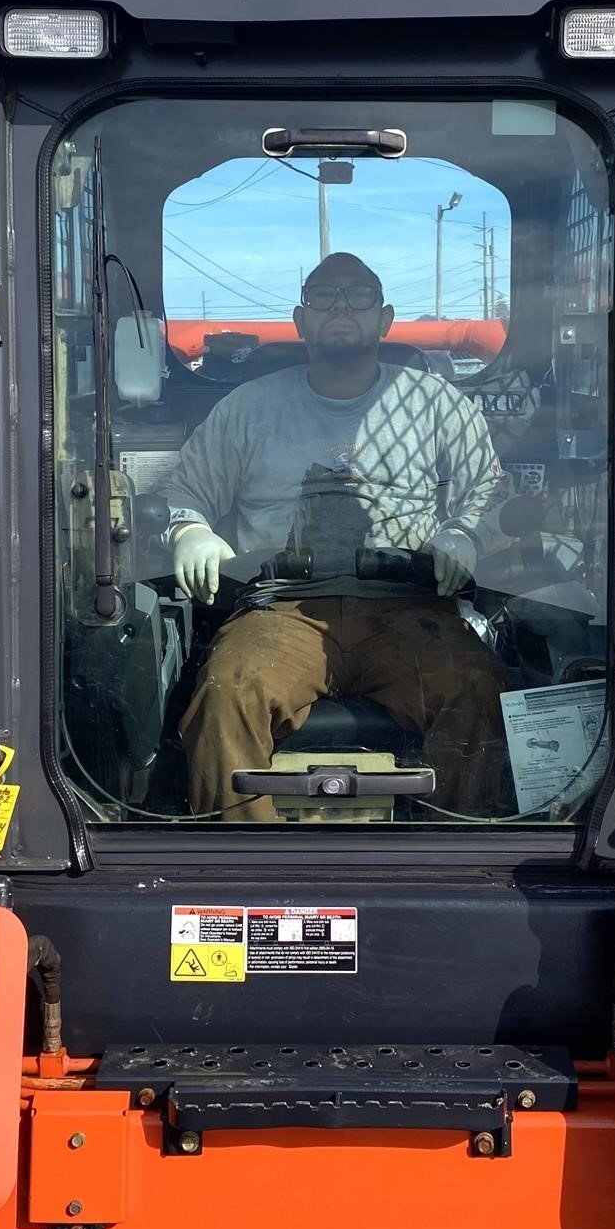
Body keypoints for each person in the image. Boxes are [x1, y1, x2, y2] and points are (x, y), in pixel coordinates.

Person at [160, 252, 510, 821]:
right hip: (281, 609)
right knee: (227, 690)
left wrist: (464, 535)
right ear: (300, 321)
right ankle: (243, 867)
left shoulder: (437, 404)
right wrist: (191, 530)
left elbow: (488, 492)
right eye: (323, 297)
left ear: (385, 318)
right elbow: (188, 491)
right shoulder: (248, 409)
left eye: (358, 296)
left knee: (475, 685)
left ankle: (457, 855)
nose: (340, 307)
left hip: (408, 606)